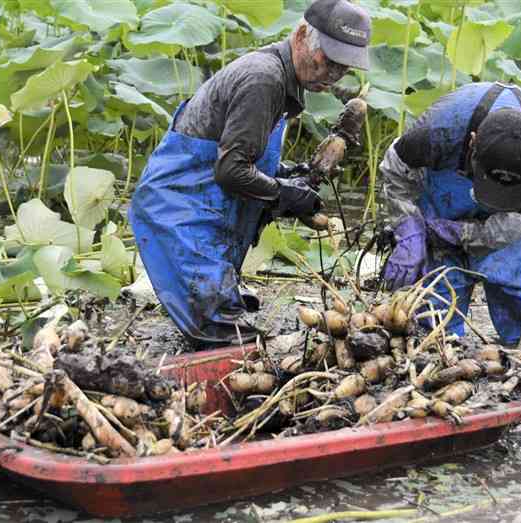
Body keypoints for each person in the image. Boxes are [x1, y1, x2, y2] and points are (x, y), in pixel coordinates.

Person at [130, 0, 371, 346]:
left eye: (343, 68)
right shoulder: (264, 79)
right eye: (329, 61)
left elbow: (243, 158)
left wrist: (291, 176)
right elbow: (230, 170)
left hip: (208, 215)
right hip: (180, 216)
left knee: (232, 329)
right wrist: (283, 193)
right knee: (226, 339)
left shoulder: (283, 81)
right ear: (302, 35)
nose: (333, 75)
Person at [380, 82, 521, 349]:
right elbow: (396, 170)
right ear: (472, 143)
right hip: (446, 185)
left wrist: (465, 233)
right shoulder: (439, 131)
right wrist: (409, 228)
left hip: (513, 214)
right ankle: (439, 346)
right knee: (435, 307)